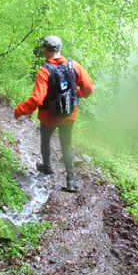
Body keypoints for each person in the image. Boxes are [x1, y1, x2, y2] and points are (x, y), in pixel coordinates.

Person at [14, 35, 94, 191]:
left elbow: (37, 99)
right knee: (67, 144)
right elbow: (89, 88)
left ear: (45, 50)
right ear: (60, 49)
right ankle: (71, 180)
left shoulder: (45, 71)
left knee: (45, 141)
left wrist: (20, 110)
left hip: (49, 116)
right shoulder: (74, 66)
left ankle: (47, 167)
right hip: (69, 114)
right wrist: (77, 95)